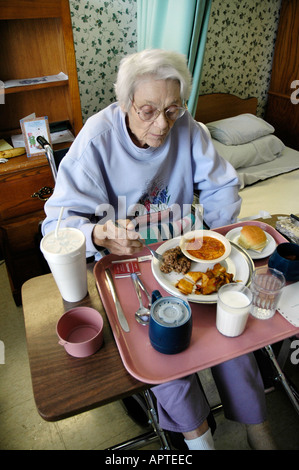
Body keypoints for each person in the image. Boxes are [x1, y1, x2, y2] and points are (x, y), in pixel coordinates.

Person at [42, 49, 276, 450]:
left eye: (172, 109)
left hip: (186, 254)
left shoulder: (189, 128)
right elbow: (56, 224)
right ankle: (199, 437)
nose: (161, 124)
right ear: (125, 103)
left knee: (232, 327)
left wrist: (217, 242)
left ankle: (258, 427)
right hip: (125, 266)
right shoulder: (96, 141)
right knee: (163, 350)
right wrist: (100, 233)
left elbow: (221, 185)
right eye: (147, 110)